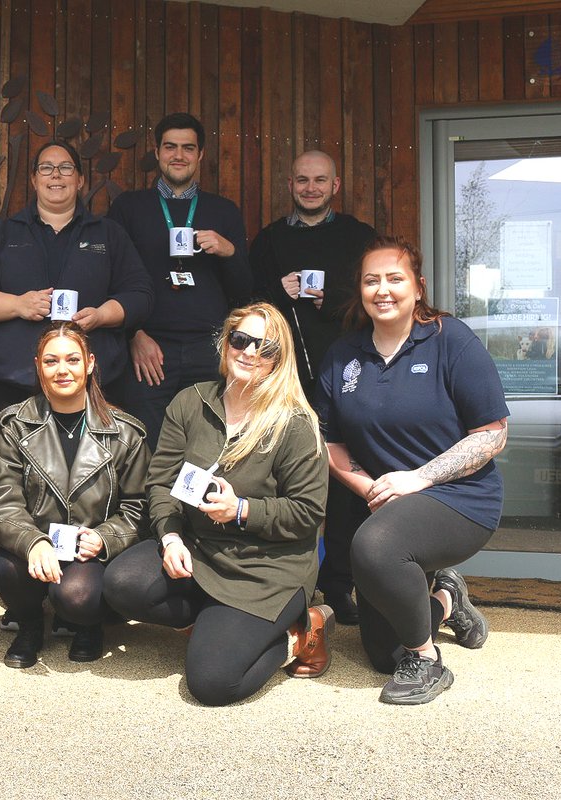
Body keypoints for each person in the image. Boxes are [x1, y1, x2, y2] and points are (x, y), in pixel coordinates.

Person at [103, 303, 333, 707]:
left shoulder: (295, 422)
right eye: (240, 340)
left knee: (213, 683)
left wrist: (242, 510)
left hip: (267, 567)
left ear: (280, 360)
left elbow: (307, 513)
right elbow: (161, 481)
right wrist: (171, 536)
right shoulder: (191, 402)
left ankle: (300, 634)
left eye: (264, 348)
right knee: (121, 584)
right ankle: (217, 623)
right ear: (225, 342)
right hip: (200, 548)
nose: (248, 353)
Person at [314, 236, 508, 705]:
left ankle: (427, 660)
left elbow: (493, 433)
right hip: (386, 503)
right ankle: (446, 598)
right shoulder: (343, 355)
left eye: (395, 279)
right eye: (371, 280)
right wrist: (370, 488)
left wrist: (420, 478)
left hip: (460, 499)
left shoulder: (450, 339)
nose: (383, 290)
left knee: (376, 544)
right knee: (384, 652)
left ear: (417, 287)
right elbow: (329, 442)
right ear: (359, 290)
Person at [250, 149, 378, 625]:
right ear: (291, 183)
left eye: (319, 180)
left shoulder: (359, 237)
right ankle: (285, 581)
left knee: (343, 483)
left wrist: (332, 301)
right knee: (280, 478)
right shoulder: (269, 240)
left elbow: (374, 300)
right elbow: (249, 304)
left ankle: (341, 584)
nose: (310, 188)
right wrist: (276, 295)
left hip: (348, 378)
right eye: (302, 180)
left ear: (335, 185)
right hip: (281, 381)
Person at [0, 324, 150, 667]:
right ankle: (29, 625)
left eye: (72, 359)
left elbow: (140, 505)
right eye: (51, 361)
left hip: (90, 551)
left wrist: (104, 538)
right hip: (36, 544)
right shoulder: (15, 426)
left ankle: (88, 625)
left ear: (89, 364)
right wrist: (33, 541)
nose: (62, 370)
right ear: (38, 365)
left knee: (76, 596)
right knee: (10, 569)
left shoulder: (125, 432)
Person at [0, 140, 153, 423]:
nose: (56, 175)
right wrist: (18, 305)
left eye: (65, 168)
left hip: (94, 386)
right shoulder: (4, 234)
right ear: (34, 180)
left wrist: (101, 316)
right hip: (13, 385)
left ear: (80, 180)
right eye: (46, 168)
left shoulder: (109, 234)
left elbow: (141, 295)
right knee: (17, 466)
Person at [106, 113, 252, 447]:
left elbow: (244, 291)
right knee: (147, 448)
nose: (179, 155)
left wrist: (229, 252)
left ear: (200, 155)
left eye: (188, 148)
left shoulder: (224, 211)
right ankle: (154, 503)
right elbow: (111, 279)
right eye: (170, 147)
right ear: (156, 152)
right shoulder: (129, 207)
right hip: (150, 349)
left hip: (210, 348)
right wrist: (133, 335)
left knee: (210, 448)